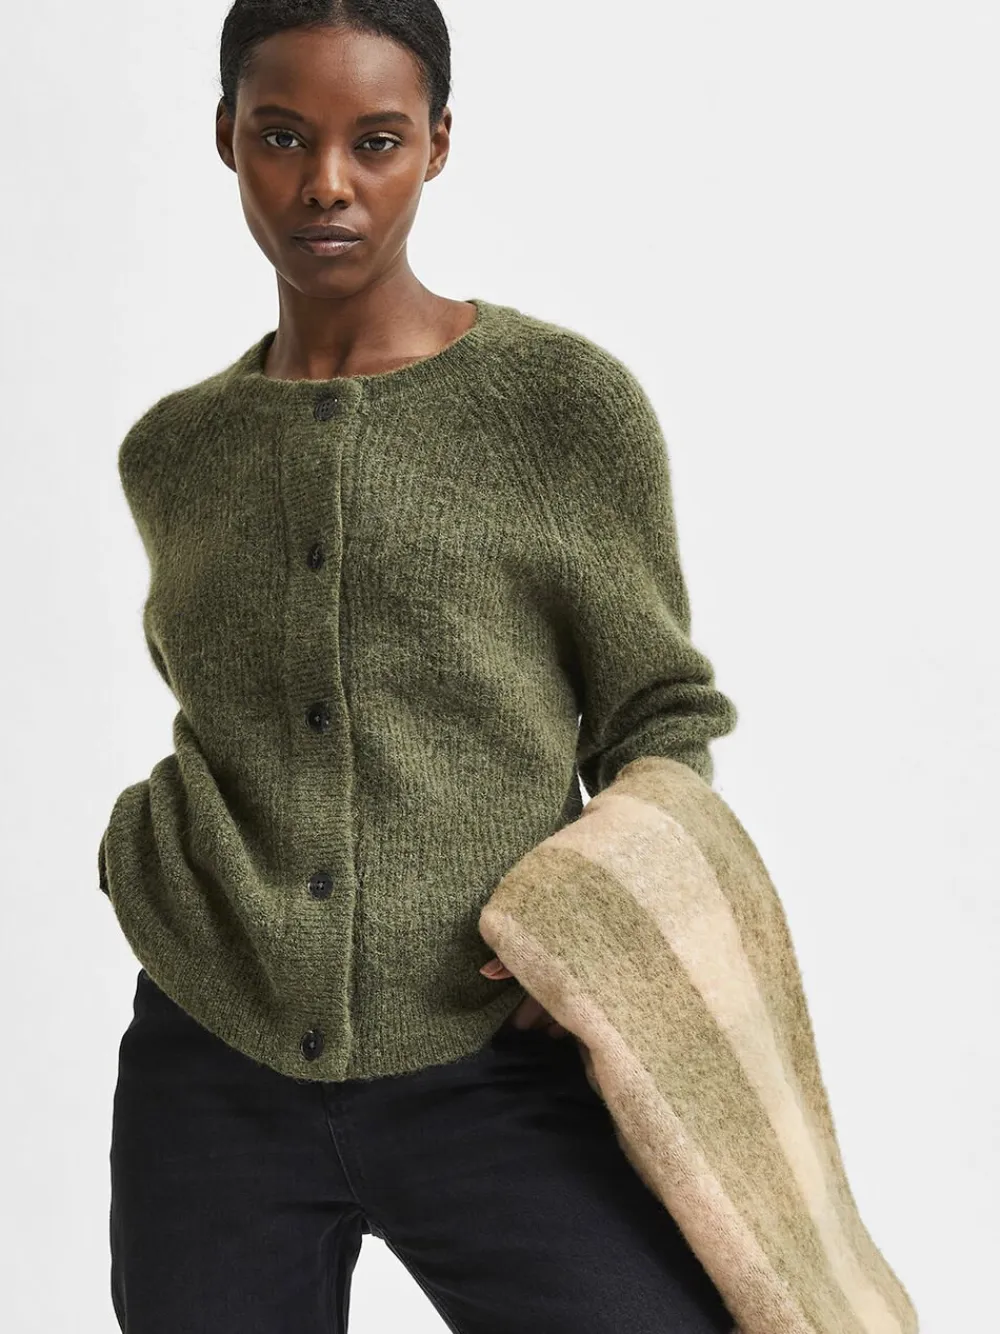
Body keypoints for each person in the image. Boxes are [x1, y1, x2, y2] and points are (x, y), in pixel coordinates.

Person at [104, 2, 740, 1330]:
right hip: (211, 1062)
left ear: (438, 144)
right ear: (228, 138)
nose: (326, 183)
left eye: (376, 140)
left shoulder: (561, 405)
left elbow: (659, 712)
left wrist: (593, 925)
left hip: (495, 1055)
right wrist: (136, 858)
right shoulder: (174, 452)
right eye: (283, 136)